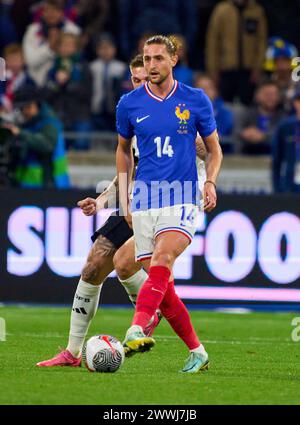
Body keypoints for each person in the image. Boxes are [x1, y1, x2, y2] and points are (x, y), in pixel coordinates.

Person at [36, 54, 209, 367]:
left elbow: (207, 147)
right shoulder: (135, 109)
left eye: (146, 78)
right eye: (135, 79)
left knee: (129, 263)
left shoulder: (177, 109)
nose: (141, 85)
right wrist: (102, 201)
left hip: (172, 198)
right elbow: (129, 164)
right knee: (94, 265)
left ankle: (146, 317)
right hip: (137, 199)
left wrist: (198, 143)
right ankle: (73, 353)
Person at [116, 35, 222, 373]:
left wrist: (210, 181)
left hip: (183, 195)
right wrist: (123, 200)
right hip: (145, 199)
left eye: (158, 58)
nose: (151, 66)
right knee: (164, 287)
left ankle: (137, 326)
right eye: (146, 59)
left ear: (173, 59)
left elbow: (215, 149)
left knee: (163, 258)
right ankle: (198, 351)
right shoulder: (129, 103)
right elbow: (122, 150)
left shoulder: (195, 100)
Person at [1, 85, 70, 188]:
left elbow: (47, 145)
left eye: (24, 108)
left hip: (50, 185)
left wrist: (20, 133)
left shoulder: (49, 123)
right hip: (27, 186)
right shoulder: (26, 123)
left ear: (34, 105)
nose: (23, 112)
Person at [205, 0, 267, 105]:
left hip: (249, 70)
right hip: (225, 69)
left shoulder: (256, 11)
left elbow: (261, 41)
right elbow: (212, 42)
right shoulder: (221, 10)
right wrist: (213, 70)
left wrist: (258, 67)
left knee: (247, 105)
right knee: (225, 103)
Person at [45, 32, 92, 149]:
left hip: (80, 114)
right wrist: (57, 84)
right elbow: (46, 94)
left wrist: (68, 83)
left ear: (76, 48)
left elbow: (87, 92)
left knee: (81, 144)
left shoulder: (83, 67)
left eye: (69, 45)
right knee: (57, 147)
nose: (65, 48)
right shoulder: (52, 69)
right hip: (58, 113)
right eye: (63, 45)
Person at [22, 0, 80, 86]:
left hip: (64, 84)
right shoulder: (32, 30)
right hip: (35, 84)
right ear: (42, 13)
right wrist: (49, 47)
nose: (51, 14)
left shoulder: (72, 30)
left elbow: (75, 58)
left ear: (61, 12)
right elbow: (30, 61)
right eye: (47, 10)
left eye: (55, 10)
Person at [90, 33, 126, 131]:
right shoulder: (92, 67)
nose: (106, 51)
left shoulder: (121, 68)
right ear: (97, 50)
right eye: (102, 48)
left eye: (109, 48)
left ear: (115, 49)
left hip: (114, 110)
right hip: (96, 108)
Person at [239, 81, 284, 154]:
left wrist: (263, 136)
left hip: (275, 156)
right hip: (248, 156)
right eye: (267, 94)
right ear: (257, 96)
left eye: (274, 94)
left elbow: (283, 135)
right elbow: (237, 131)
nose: (270, 98)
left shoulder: (284, 117)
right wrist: (245, 134)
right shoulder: (247, 114)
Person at [272, 89, 300, 193]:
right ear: (295, 103)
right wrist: (277, 188)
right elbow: (277, 159)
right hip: (289, 183)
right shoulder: (285, 126)